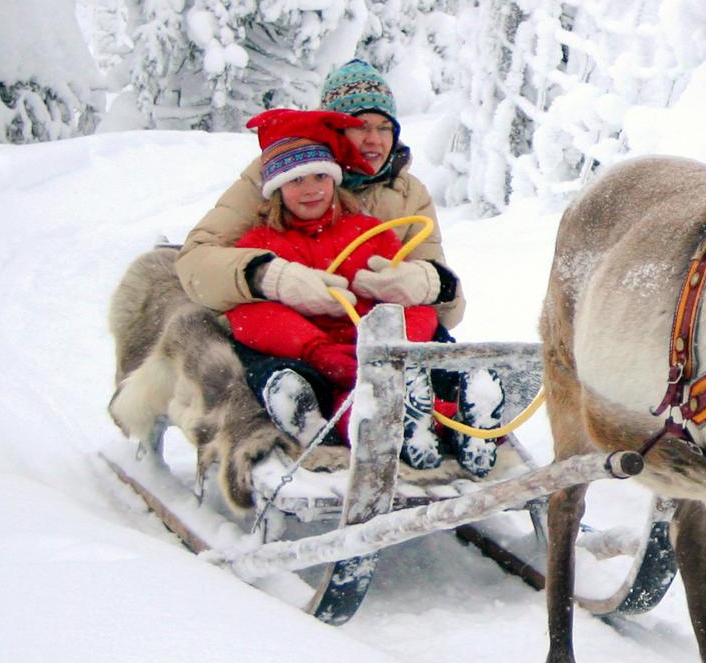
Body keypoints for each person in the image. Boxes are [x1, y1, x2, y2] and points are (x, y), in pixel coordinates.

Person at [176, 59, 500, 476]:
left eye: (384, 128)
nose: (373, 139)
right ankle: (353, 418)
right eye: (360, 126)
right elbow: (196, 261)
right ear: (333, 130)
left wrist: (428, 283)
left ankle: (461, 405)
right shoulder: (278, 168)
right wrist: (270, 277)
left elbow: (445, 310)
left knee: (427, 348)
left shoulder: (405, 195)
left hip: (377, 329)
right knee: (281, 367)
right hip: (299, 334)